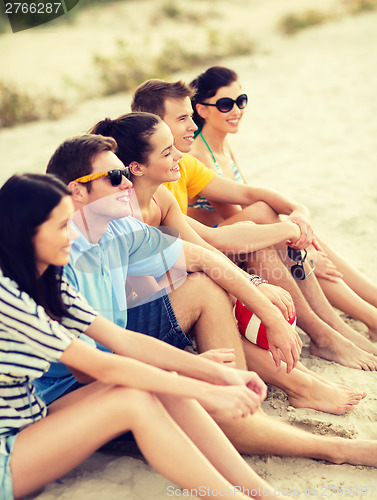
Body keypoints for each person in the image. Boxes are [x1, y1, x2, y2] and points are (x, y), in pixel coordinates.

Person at [39, 134, 377, 469]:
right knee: (176, 385)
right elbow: (88, 370)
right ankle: (331, 447)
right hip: (66, 391)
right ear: (76, 191)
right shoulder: (55, 256)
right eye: (114, 178)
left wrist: (270, 316)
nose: (127, 183)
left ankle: (247, 411)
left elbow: (203, 258)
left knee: (203, 286)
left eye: (125, 173)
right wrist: (191, 371)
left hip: (112, 345)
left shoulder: (118, 229)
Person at [0, 172, 283, 500]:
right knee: (135, 399)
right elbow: (103, 367)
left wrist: (215, 373)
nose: (72, 236)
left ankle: (261, 493)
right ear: (25, 232)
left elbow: (125, 342)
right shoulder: (9, 300)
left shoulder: (49, 279)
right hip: (9, 453)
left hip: (31, 420)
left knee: (155, 379)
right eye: (62, 226)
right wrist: (205, 390)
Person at [89, 111, 365, 415]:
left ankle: (305, 372)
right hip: (126, 326)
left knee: (222, 283)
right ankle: (300, 382)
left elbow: (205, 249)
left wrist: (255, 287)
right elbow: (183, 269)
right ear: (136, 167)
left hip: (161, 301)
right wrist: (254, 293)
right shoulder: (121, 214)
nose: (179, 154)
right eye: (167, 152)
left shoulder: (160, 200)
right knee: (212, 290)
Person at [130, 77, 377, 370]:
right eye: (183, 118)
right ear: (153, 125)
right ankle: (330, 332)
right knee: (266, 233)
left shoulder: (181, 164)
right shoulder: (150, 180)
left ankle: (337, 329)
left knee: (272, 227)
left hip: (200, 255)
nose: (192, 126)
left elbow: (247, 195)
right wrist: (289, 234)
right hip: (180, 276)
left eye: (241, 101)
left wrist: (300, 211)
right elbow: (214, 239)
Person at [189, 65, 377, 343]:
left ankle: (372, 308)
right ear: (202, 109)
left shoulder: (222, 144)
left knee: (306, 241)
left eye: (241, 102)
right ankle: (369, 317)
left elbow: (250, 207)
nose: (236, 111)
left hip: (241, 235)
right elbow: (247, 217)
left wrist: (299, 233)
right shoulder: (198, 153)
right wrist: (298, 251)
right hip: (217, 248)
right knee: (298, 244)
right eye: (226, 104)